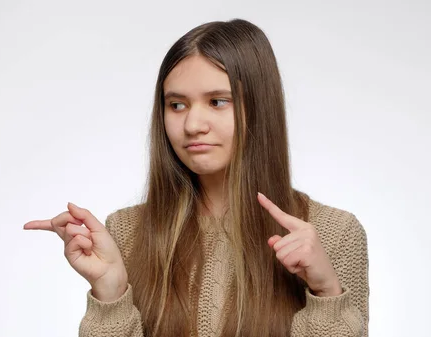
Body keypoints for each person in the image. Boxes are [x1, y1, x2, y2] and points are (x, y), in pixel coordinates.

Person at [24, 18, 369, 337]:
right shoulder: (126, 233)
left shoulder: (332, 233)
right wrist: (110, 294)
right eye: (177, 105)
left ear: (260, 107)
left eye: (218, 101)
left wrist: (327, 294)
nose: (192, 125)